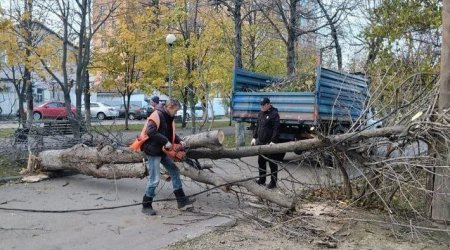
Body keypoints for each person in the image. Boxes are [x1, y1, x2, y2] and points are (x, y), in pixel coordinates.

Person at [141, 99, 195, 215]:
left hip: (160, 150)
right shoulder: (157, 114)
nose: (176, 113)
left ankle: (182, 201)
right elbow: (150, 132)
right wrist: (165, 141)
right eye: (176, 110)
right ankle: (146, 205)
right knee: (154, 179)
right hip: (152, 151)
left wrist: (180, 141)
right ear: (170, 106)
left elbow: (169, 133)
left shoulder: (167, 116)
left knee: (174, 171)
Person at [250, 97, 281, 189]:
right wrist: (254, 137)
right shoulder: (260, 114)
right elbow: (257, 126)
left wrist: (273, 141)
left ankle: (273, 182)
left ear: (268, 104)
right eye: (261, 105)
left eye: (263, 105)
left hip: (269, 143)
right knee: (261, 162)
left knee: (272, 163)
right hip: (261, 142)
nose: (262, 106)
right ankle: (262, 180)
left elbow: (276, 129)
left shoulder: (274, 114)